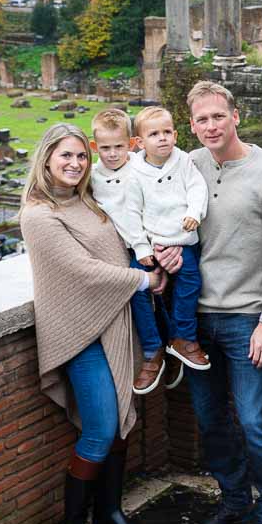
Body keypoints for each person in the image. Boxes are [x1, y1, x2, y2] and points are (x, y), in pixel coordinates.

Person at [154, 80, 262, 524]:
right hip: (193, 321)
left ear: (235, 116)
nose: (211, 126)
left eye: (218, 116)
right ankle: (234, 499)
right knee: (210, 419)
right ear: (190, 124)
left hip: (245, 319)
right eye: (201, 120)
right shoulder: (185, 165)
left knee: (256, 424)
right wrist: (163, 250)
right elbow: (163, 217)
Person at [20, 123, 163, 524]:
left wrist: (159, 253)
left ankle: (110, 514)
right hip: (77, 333)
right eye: (66, 156)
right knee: (101, 427)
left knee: (122, 420)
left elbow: (126, 239)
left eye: (82, 156)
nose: (75, 164)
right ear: (46, 159)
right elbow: (80, 270)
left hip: (114, 324)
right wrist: (143, 280)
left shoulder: (88, 200)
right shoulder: (39, 215)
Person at [122, 106, 210, 382]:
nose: (163, 138)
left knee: (190, 282)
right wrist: (141, 248)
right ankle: (153, 347)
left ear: (175, 134)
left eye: (167, 132)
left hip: (181, 239)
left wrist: (194, 213)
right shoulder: (134, 171)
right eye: (154, 134)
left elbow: (198, 188)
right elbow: (131, 212)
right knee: (137, 287)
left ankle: (183, 337)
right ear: (139, 142)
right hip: (150, 243)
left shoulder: (183, 161)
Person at [91, 107, 168, 396]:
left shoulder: (140, 165)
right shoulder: (93, 176)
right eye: (105, 148)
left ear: (132, 144)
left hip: (150, 244)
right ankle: (161, 346)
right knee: (139, 293)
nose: (112, 154)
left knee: (150, 292)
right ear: (94, 147)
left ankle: (157, 347)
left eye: (119, 147)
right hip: (118, 249)